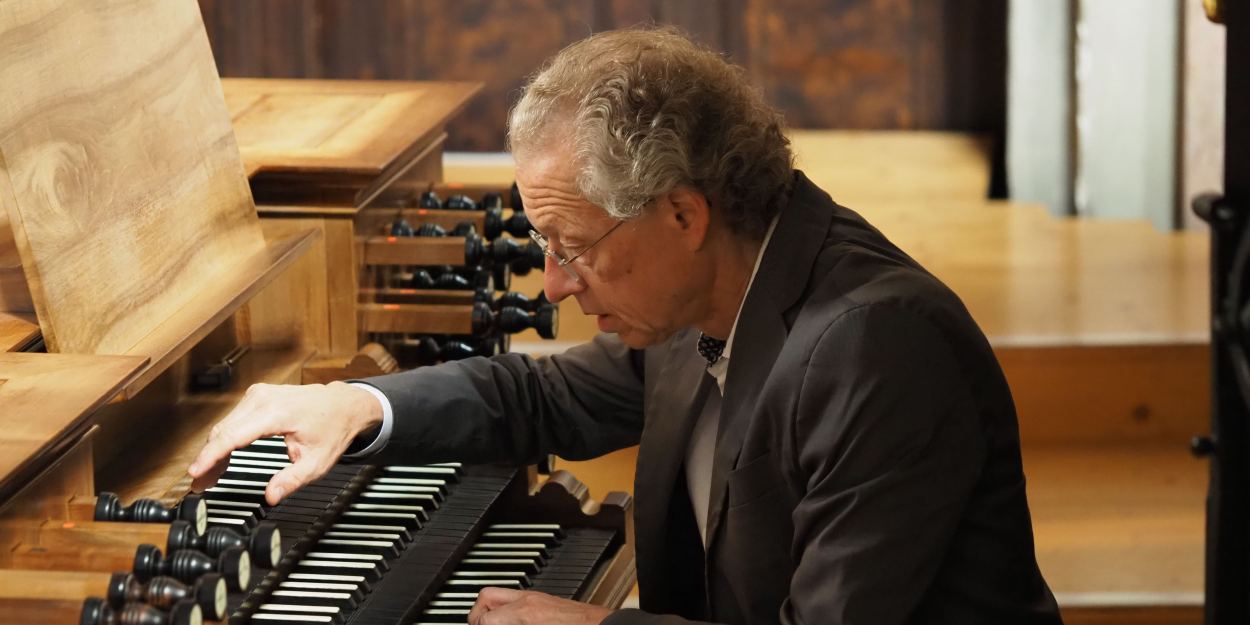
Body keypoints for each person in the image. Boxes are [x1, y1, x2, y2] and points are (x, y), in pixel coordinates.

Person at [189, 27, 1063, 625]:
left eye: (575, 247)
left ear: (682, 214)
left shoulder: (877, 349)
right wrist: (356, 405)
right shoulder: (707, 290)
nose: (557, 283)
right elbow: (541, 395)